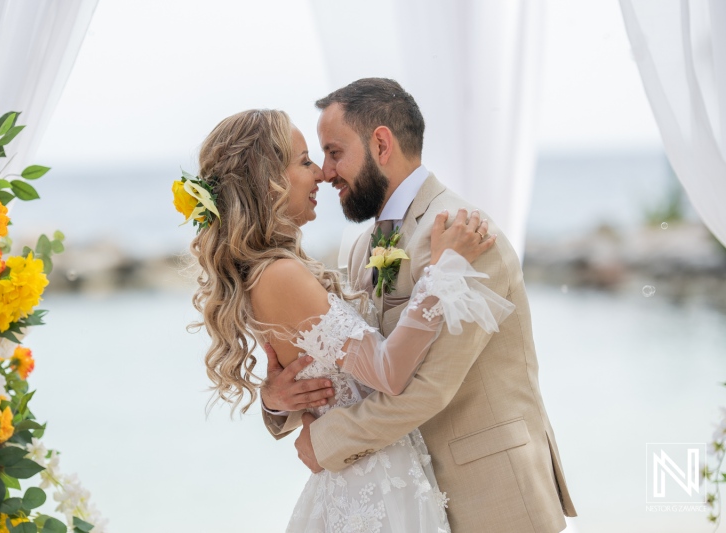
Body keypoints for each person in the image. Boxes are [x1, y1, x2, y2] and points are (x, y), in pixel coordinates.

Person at [261, 78, 577, 532]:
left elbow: (431, 386)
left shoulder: (463, 235)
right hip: (409, 500)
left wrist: (327, 441)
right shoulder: (360, 247)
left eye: (334, 152)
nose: (326, 172)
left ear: (381, 144)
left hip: (490, 495)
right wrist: (278, 400)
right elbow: (348, 364)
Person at [182, 108, 514, 532]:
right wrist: (442, 272)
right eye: (305, 161)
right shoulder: (280, 275)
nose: (320, 173)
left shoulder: (270, 271)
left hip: (371, 478)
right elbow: (389, 374)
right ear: (270, 181)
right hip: (373, 486)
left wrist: (273, 399)